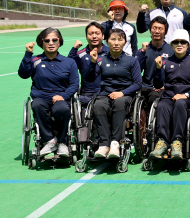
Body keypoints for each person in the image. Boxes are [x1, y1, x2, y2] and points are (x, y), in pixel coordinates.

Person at [18, 28, 79, 159]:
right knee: (37, 106)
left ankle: (62, 141)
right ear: (42, 43)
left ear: (59, 42)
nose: (51, 43)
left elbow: (74, 84)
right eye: (47, 40)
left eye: (54, 40)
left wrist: (63, 96)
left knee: (62, 108)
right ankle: (49, 140)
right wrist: (28, 54)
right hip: (40, 96)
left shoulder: (69, 62)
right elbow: (23, 74)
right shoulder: (35, 60)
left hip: (61, 97)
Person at [85, 29, 142, 158]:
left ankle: (115, 143)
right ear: (107, 41)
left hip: (125, 95)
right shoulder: (101, 59)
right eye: (113, 39)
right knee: (98, 105)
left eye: (120, 40)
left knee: (119, 103)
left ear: (125, 42)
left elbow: (138, 83)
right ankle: (104, 144)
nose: (116, 43)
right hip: (105, 94)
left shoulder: (132, 60)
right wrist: (93, 62)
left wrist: (122, 93)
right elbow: (89, 78)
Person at [150, 29, 190, 160]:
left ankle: (177, 142)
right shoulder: (165, 62)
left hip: (189, 98)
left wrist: (185, 94)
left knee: (180, 103)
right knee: (162, 105)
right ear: (172, 45)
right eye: (176, 42)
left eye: (183, 42)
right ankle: (162, 142)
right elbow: (158, 85)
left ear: (187, 44)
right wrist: (158, 70)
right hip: (168, 96)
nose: (179, 45)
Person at [136, 16, 174, 110]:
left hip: (165, 88)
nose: (157, 31)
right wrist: (143, 53)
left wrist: (164, 86)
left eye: (160, 29)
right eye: (154, 28)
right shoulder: (143, 50)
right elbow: (137, 70)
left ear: (165, 32)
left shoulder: (171, 50)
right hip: (147, 87)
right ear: (150, 30)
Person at [68, 22, 109, 106]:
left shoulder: (111, 53)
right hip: (87, 94)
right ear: (86, 37)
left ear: (103, 36)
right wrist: (74, 49)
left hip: (108, 92)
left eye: (97, 33)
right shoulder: (80, 54)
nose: (94, 36)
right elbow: (68, 66)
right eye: (90, 34)